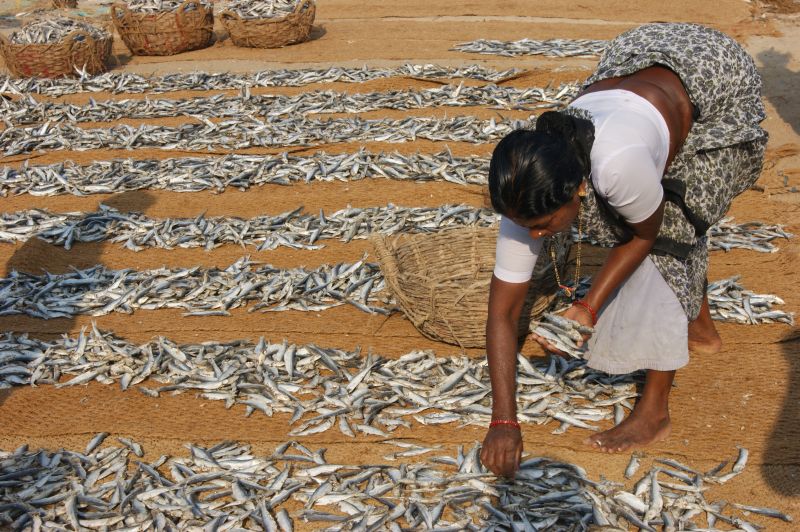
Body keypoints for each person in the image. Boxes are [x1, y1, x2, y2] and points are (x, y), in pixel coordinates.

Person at [480, 22, 768, 478]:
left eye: (543, 227)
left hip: (713, 77)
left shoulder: (617, 166)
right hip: (640, 65)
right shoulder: (524, 192)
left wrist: (589, 307)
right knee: (644, 213)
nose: (535, 236)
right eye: (525, 227)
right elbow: (501, 313)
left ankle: (654, 413)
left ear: (577, 188)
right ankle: (699, 326)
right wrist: (503, 420)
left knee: (672, 233)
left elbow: (645, 236)